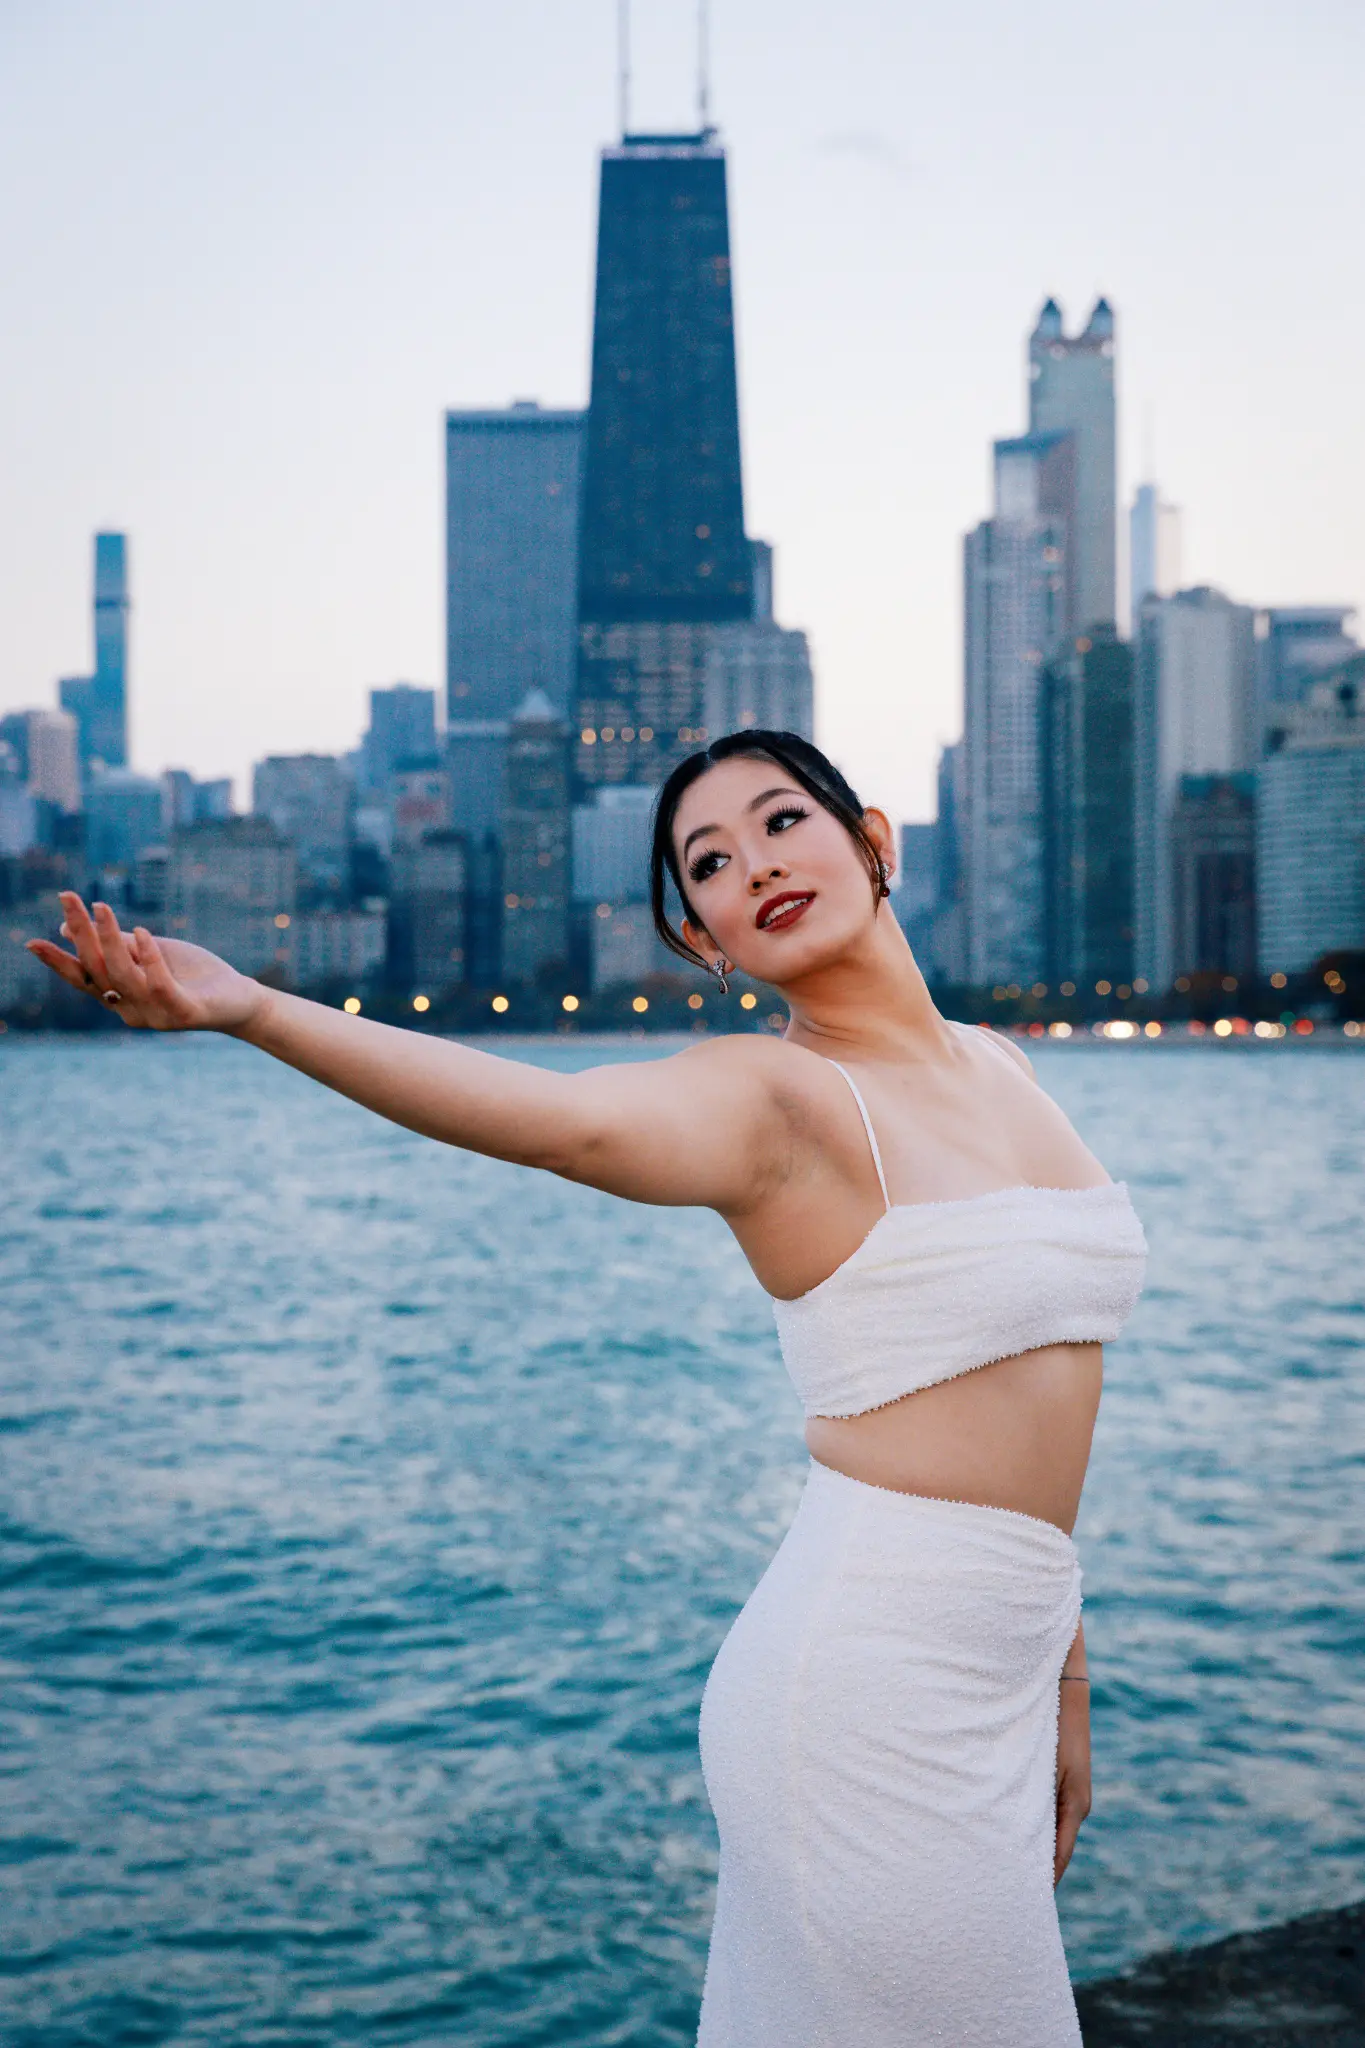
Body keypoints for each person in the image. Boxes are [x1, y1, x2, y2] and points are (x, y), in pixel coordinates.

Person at [30, 729, 1146, 2047]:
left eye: (781, 821)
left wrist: (1060, 1678)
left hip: (1001, 1677)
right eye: (708, 866)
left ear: (875, 843)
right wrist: (258, 1009)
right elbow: (564, 1123)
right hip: (866, 1703)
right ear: (706, 939)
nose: (754, 866)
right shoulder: (776, 1101)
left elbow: (1034, 1409)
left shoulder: (1003, 1065)